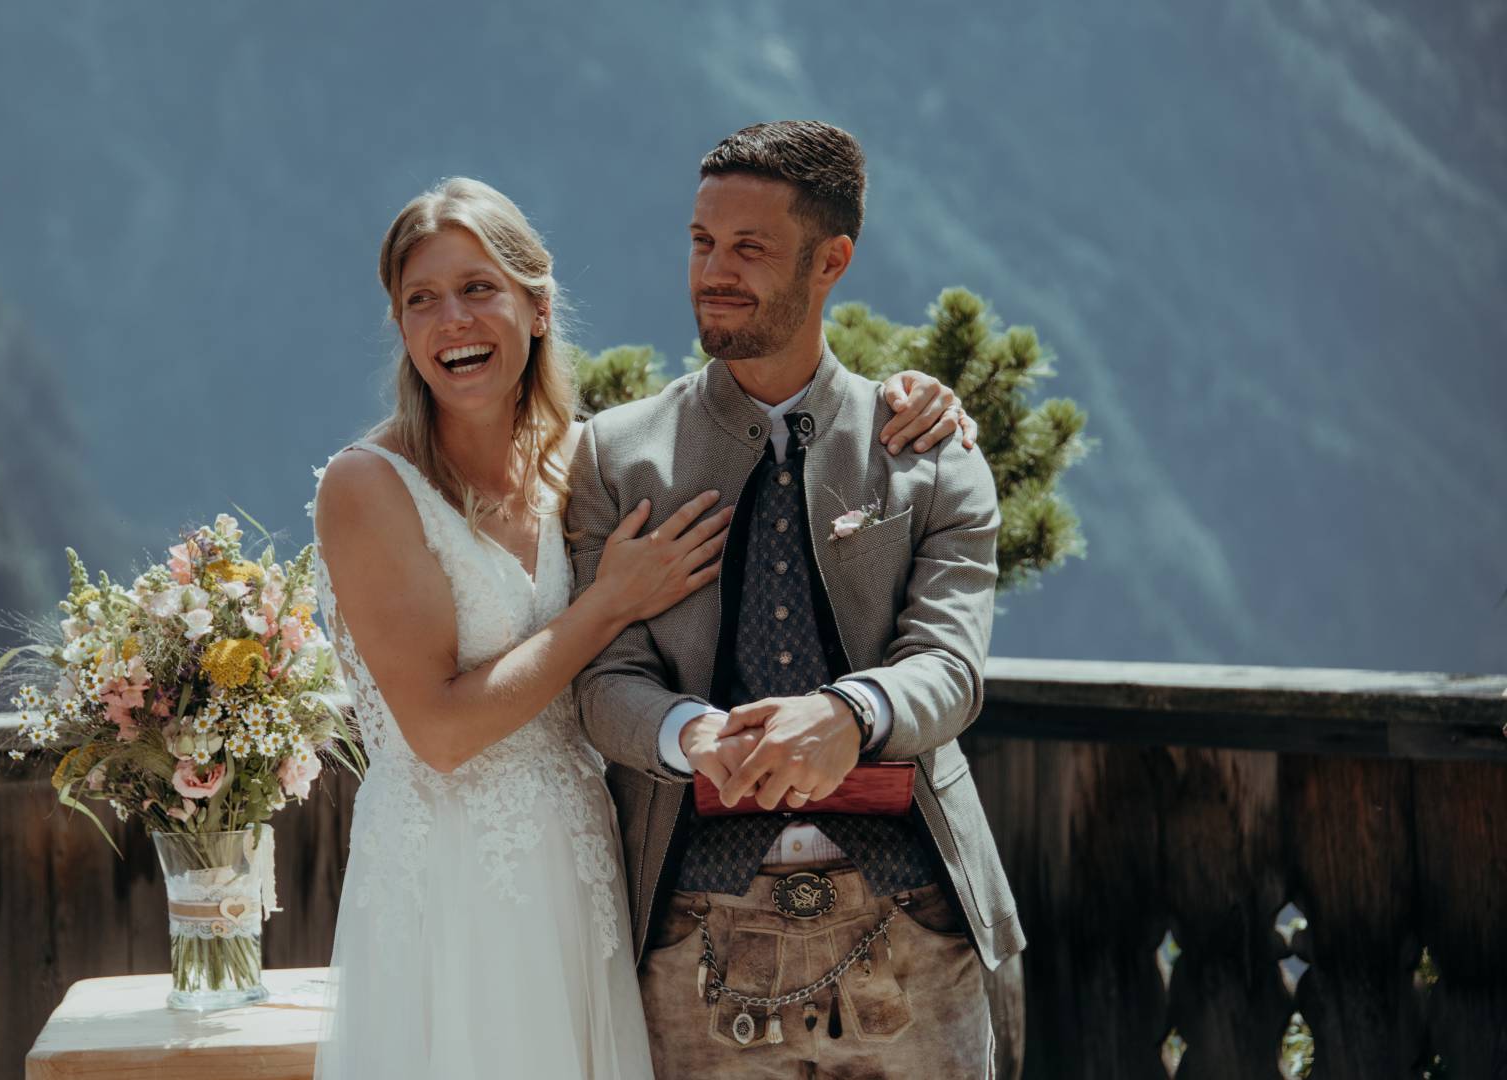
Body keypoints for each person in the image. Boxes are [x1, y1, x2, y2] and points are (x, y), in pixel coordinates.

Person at [312, 175, 975, 1078]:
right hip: (453, 873)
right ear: (398, 326)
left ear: (536, 307)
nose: (451, 321)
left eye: (477, 289)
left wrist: (918, 396)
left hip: (589, 867)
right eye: (419, 300)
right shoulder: (366, 486)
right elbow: (437, 730)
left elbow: (948, 654)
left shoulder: (576, 460)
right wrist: (611, 606)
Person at [568, 120, 1017, 1079]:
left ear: (832, 260)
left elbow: (951, 667)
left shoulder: (932, 451)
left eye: (750, 249)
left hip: (918, 930)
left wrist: (848, 715)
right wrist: (690, 734)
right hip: (693, 936)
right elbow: (601, 677)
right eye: (701, 242)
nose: (713, 272)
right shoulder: (613, 455)